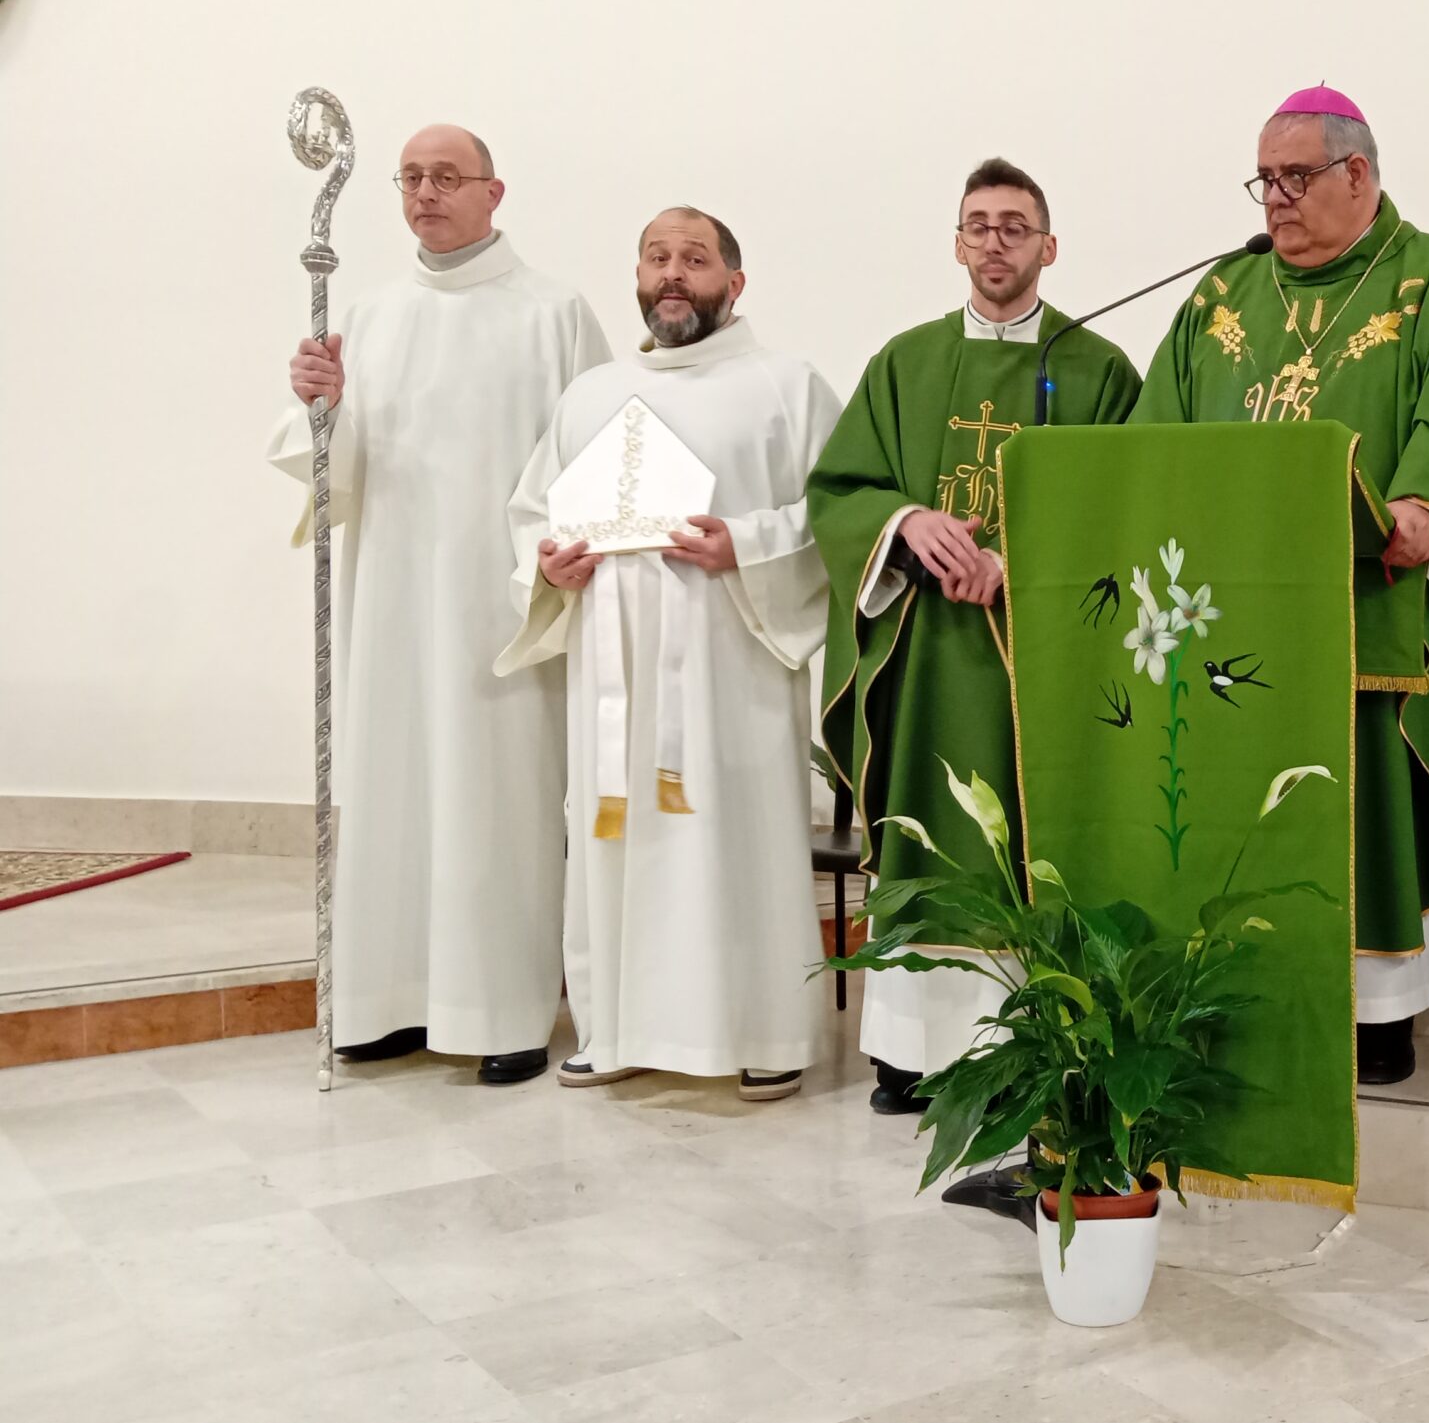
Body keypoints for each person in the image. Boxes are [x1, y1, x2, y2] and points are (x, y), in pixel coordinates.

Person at [1129, 85, 1429, 1085]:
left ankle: (1374, 1013)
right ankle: (1226, 998)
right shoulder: (1222, 294)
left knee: (1367, 808)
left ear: (1357, 174)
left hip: (1368, 607)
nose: (1274, 198)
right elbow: (1153, 440)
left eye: (1295, 177)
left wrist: (1426, 508)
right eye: (1264, 179)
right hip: (1228, 610)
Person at [265, 125, 609, 1086]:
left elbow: (595, 448)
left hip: (502, 603)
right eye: (411, 177)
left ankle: (502, 1011)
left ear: (494, 192)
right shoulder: (370, 315)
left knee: (498, 800)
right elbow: (336, 468)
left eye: (447, 176)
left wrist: (562, 557)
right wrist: (321, 405)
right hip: (392, 603)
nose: (426, 192)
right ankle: (387, 1003)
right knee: (392, 791)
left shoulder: (553, 313)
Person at [807, 158, 1141, 1120]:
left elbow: (1127, 501)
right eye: (978, 225)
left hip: (1042, 661)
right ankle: (911, 1053)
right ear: (957, 243)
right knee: (926, 836)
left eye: (1014, 225)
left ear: (1049, 246)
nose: (996, 242)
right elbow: (841, 490)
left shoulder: (1101, 370)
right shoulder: (904, 363)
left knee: (1035, 845)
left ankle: (1028, 1054)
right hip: (928, 660)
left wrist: (1019, 561)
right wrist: (906, 521)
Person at [495, 207, 841, 1101]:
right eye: (657, 258)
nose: (673, 274)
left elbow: (839, 512)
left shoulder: (786, 385)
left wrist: (748, 546)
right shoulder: (593, 393)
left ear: (735, 280)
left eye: (695, 258)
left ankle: (763, 1030)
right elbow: (534, 511)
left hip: (733, 669)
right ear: (639, 278)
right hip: (612, 675)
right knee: (617, 838)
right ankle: (615, 1027)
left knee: (733, 842)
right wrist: (548, 565)